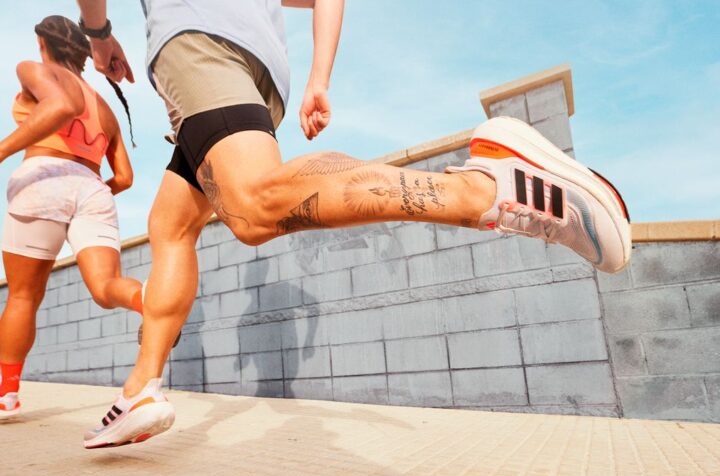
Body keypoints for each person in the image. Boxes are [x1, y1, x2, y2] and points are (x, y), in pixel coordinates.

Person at [76, 0, 631, 448]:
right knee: (171, 223)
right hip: (262, 69)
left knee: (250, 207)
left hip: (194, 36)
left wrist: (97, 31)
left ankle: (489, 187)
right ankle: (141, 389)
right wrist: (319, 77)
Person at [0, 16, 142, 419]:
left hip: (43, 179)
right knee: (107, 286)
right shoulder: (104, 106)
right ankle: (151, 300)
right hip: (92, 187)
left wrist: (4, 149)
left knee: (24, 295)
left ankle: (6, 396)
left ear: (43, 43)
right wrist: (88, 192)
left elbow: (62, 106)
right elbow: (126, 178)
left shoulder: (34, 70)